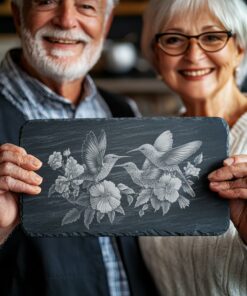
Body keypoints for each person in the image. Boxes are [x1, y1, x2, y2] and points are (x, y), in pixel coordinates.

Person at [0, 1, 159, 295]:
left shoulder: (123, 111)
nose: (66, 20)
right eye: (47, 1)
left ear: (107, 23)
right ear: (18, 12)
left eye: (86, 6)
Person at [140, 0, 247, 295]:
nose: (194, 54)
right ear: (156, 56)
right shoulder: (151, 141)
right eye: (174, 39)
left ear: (240, 48)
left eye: (212, 37)